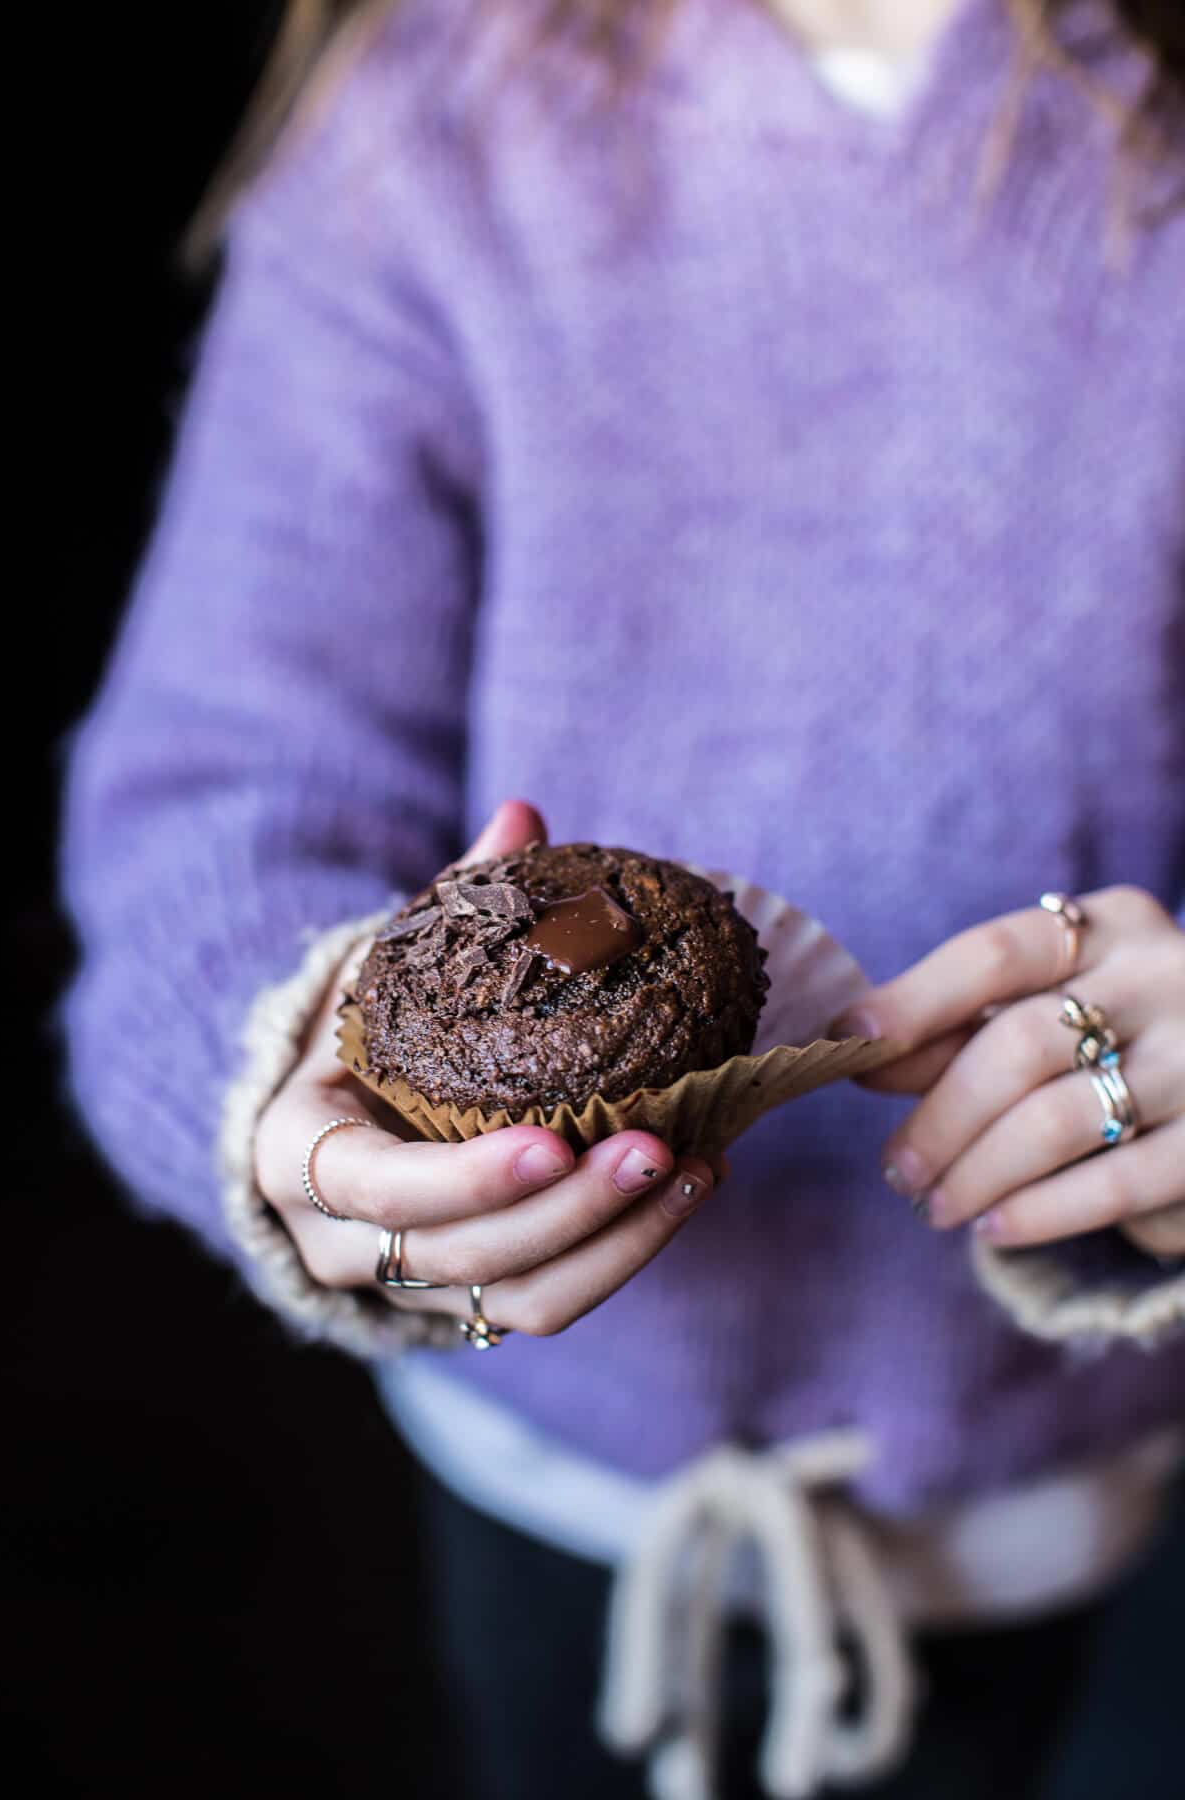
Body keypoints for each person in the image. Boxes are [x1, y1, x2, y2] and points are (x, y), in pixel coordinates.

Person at [61, 0, 1184, 1795]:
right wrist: (302, 1092)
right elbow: (218, 790)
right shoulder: (434, 125)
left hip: (1107, 1483)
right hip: (548, 1472)